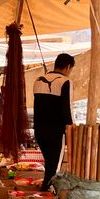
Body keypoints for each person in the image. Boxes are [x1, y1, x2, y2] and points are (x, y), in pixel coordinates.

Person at [32, 53, 75, 191]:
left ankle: (45, 189)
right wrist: (72, 131)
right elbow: (67, 110)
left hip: (39, 131)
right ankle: (48, 196)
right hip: (56, 132)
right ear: (68, 67)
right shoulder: (65, 82)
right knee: (54, 167)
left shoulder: (38, 80)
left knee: (49, 164)